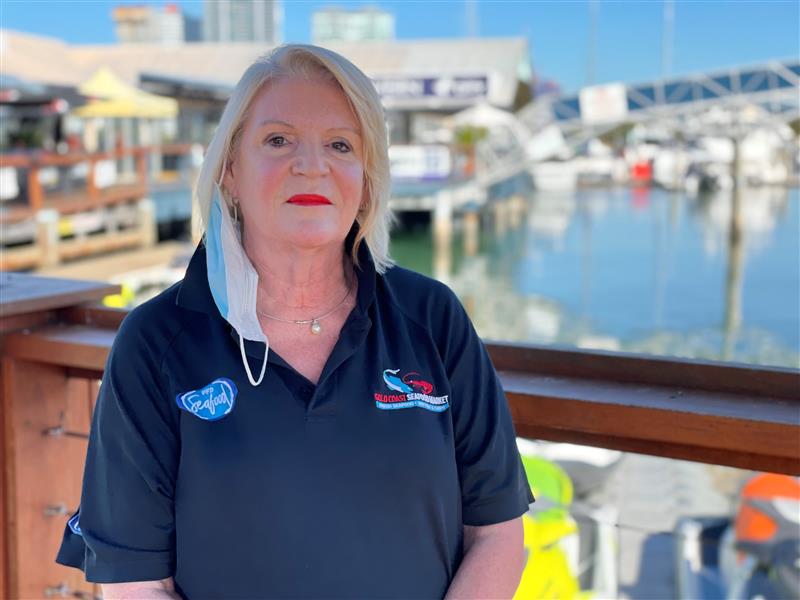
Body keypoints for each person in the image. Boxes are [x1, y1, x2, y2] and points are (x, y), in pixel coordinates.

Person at [57, 44, 534, 599]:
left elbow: (497, 532)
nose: (312, 164)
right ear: (230, 170)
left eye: (340, 144)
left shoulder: (432, 317)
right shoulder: (155, 342)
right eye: (278, 140)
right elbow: (134, 583)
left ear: (366, 178)